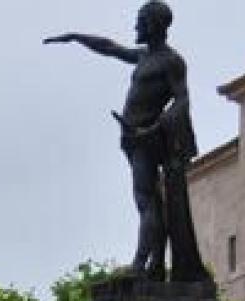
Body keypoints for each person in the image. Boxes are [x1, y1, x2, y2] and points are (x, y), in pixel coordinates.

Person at [46, 2, 209, 284]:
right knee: (150, 202)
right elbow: (110, 47)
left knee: (146, 200)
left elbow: (182, 99)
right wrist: (76, 37)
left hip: (147, 138)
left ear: (153, 24)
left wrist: (155, 128)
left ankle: (140, 263)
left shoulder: (171, 61)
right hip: (133, 138)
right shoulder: (144, 56)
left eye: (140, 21)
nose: (135, 27)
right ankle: (155, 265)